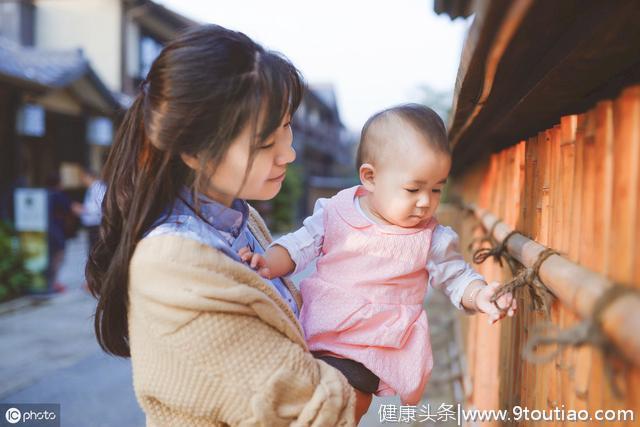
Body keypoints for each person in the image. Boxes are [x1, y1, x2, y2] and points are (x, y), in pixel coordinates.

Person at [86, 25, 366, 426]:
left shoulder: (238, 216)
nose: (288, 153)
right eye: (265, 143)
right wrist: (378, 349)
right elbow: (314, 409)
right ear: (194, 151)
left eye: (286, 126)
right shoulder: (174, 262)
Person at [239, 104, 518, 406]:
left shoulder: (431, 237)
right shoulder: (337, 212)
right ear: (370, 177)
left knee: (344, 405)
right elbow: (299, 245)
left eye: (437, 189)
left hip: (373, 347)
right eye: (413, 189)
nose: (426, 202)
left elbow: (457, 277)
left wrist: (480, 295)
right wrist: (268, 263)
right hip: (318, 327)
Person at [79, 169, 106, 251]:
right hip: (92, 226)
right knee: (93, 250)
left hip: (97, 225)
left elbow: (101, 206)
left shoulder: (99, 188)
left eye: (83, 177)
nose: (82, 180)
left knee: (96, 250)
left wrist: (84, 209)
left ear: (89, 177)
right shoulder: (91, 188)